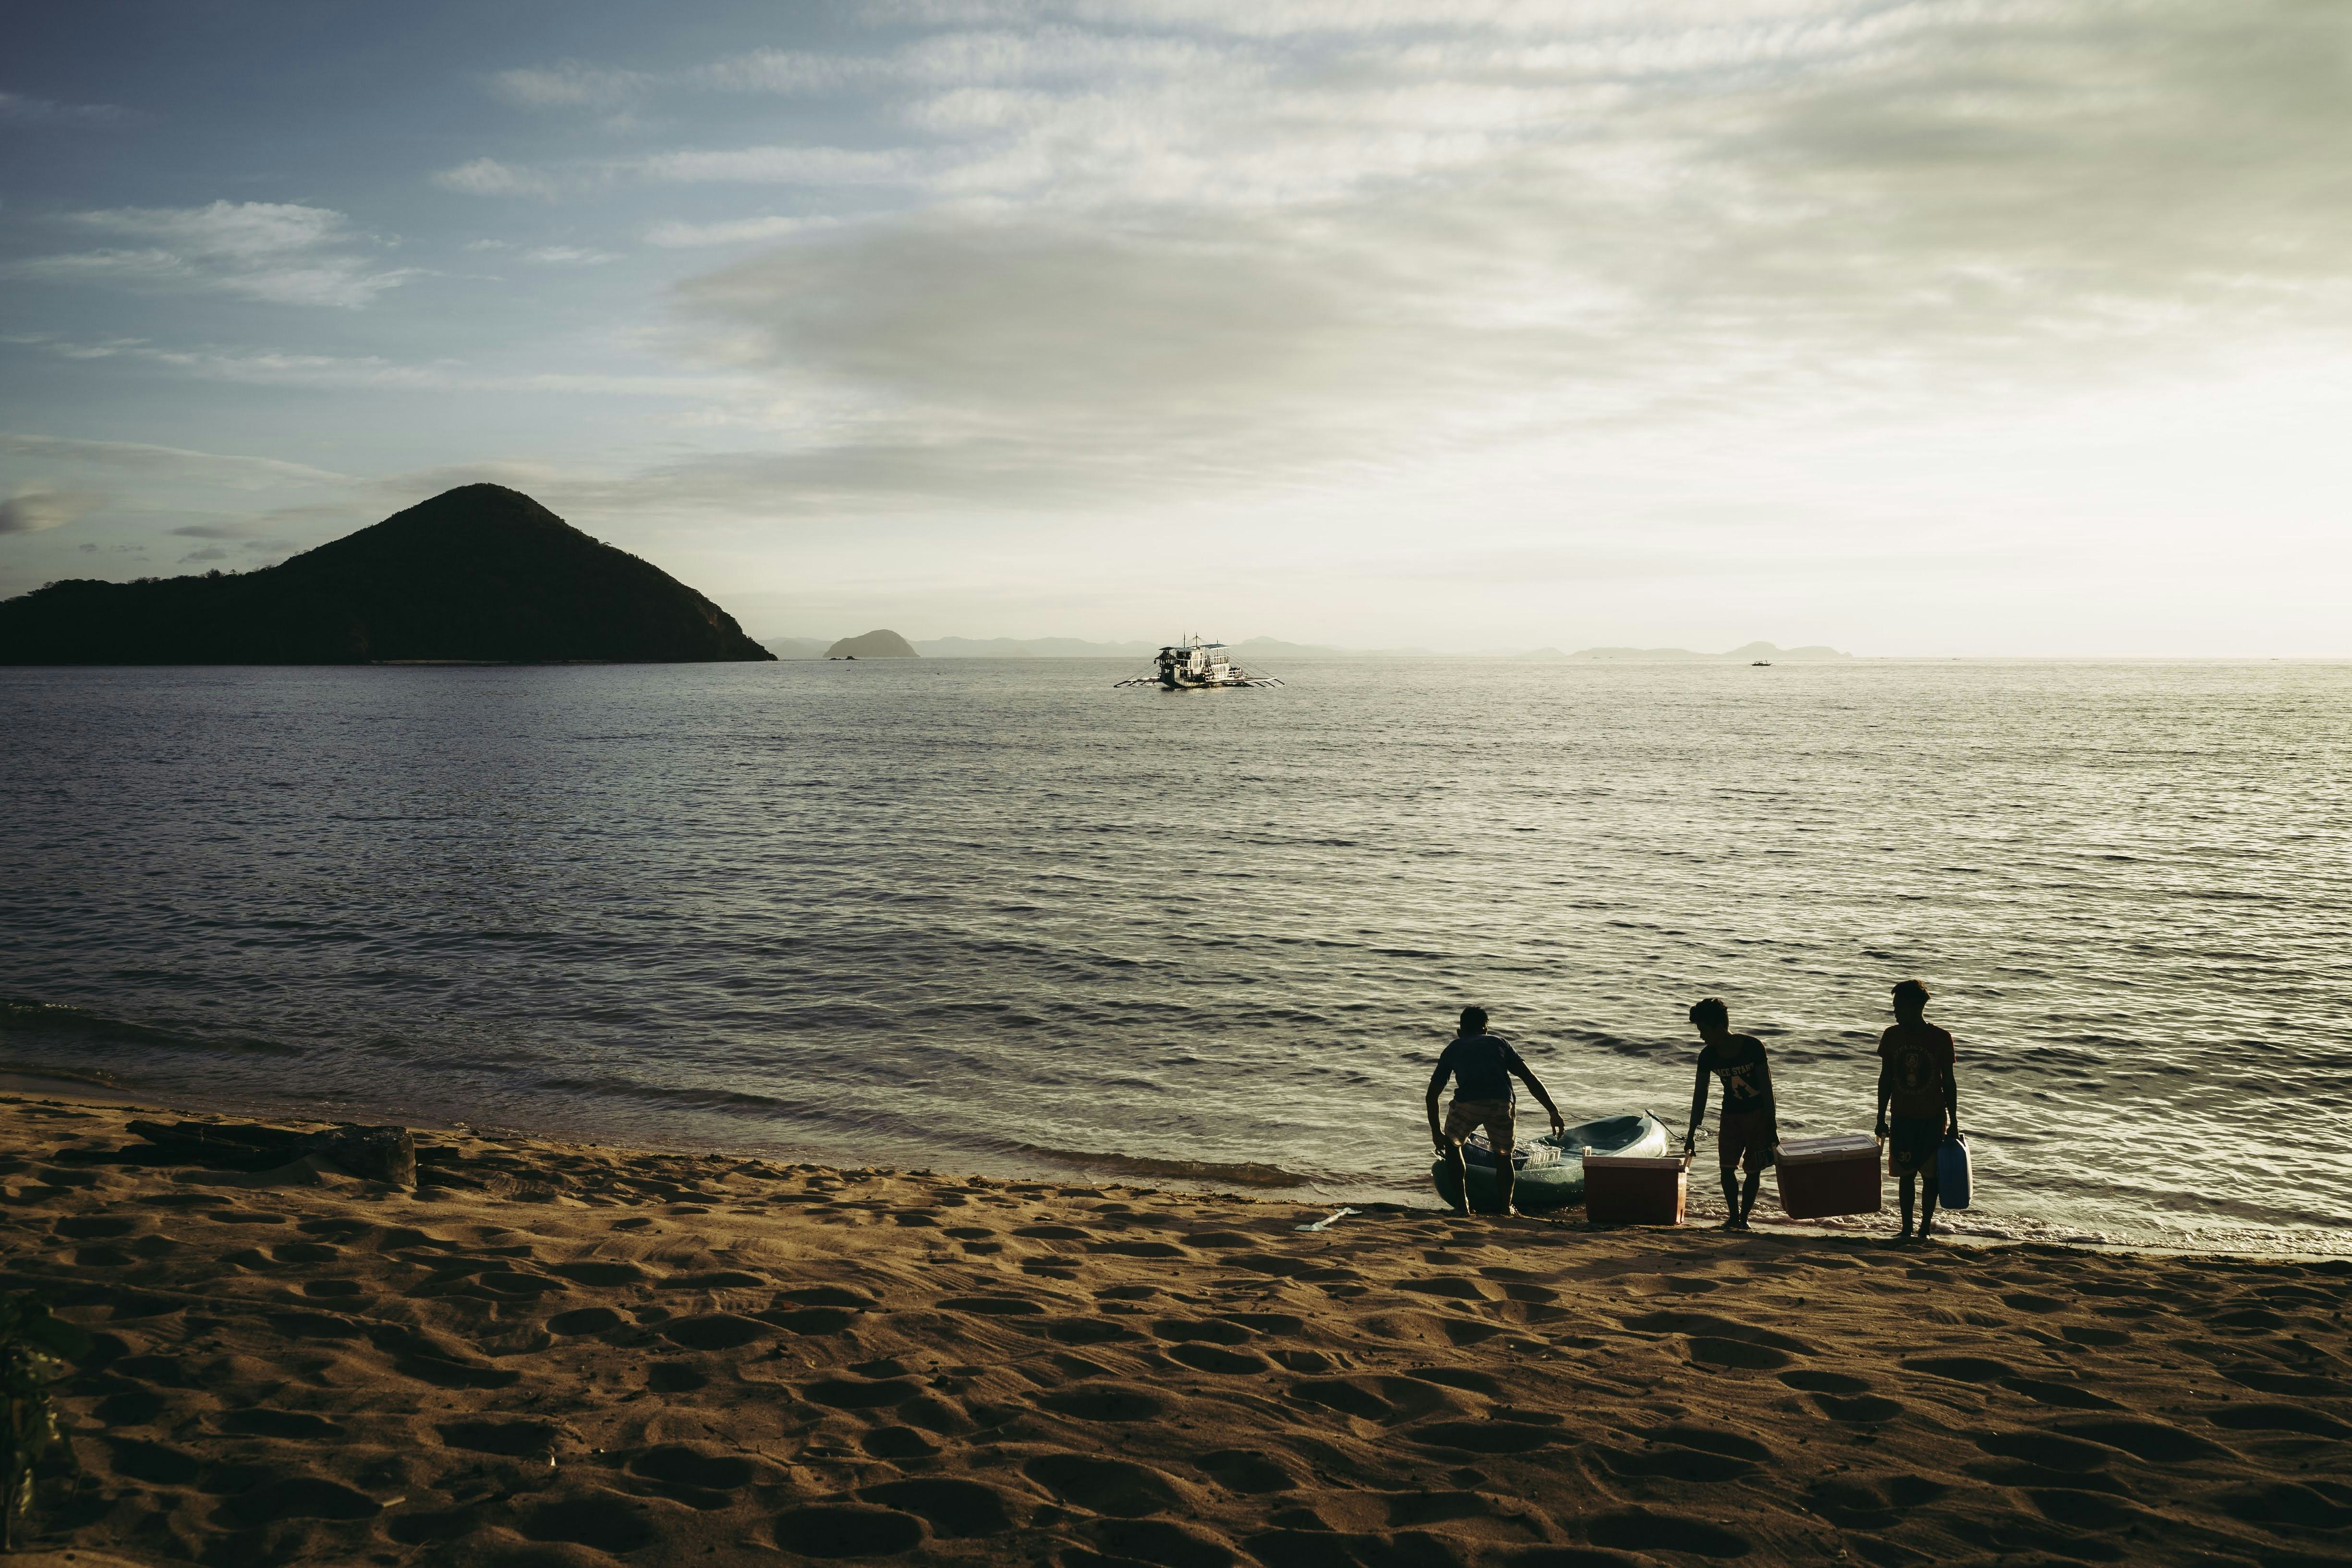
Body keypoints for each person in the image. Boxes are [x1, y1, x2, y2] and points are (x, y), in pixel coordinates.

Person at [1426, 1006, 1565, 1217]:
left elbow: (1432, 1095)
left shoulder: (1454, 1047)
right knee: (1504, 1156)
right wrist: (1553, 1111)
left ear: (1460, 1032)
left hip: (1468, 1104)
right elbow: (1529, 1078)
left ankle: (1463, 1207)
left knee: (1454, 1146)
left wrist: (1437, 1133)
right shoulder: (1499, 1043)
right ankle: (1505, 1208)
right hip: (1502, 1103)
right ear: (1486, 1030)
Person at [1682, 997, 1779, 1230]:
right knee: (1727, 1168)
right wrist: (1692, 1131)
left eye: (1703, 1030)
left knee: (1753, 1171)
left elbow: (1768, 1089)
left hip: (1758, 1117)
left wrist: (1771, 1126)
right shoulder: (1707, 1056)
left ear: (1718, 1027)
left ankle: (1744, 1219)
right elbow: (1700, 1095)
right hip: (1730, 1117)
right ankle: (1733, 1217)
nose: (1701, 1036)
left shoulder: (1753, 1047)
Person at [1876, 978, 1957, 1244]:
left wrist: (1954, 1121)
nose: (1895, 1011)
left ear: (1914, 1007)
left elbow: (1949, 1082)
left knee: (1931, 1176)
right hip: (1902, 1118)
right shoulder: (1892, 1036)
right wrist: (1880, 1116)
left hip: (1933, 1118)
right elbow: (1885, 1078)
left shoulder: (1941, 1038)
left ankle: (1925, 1230)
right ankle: (1906, 1228)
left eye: (1899, 1006)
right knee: (1905, 1174)